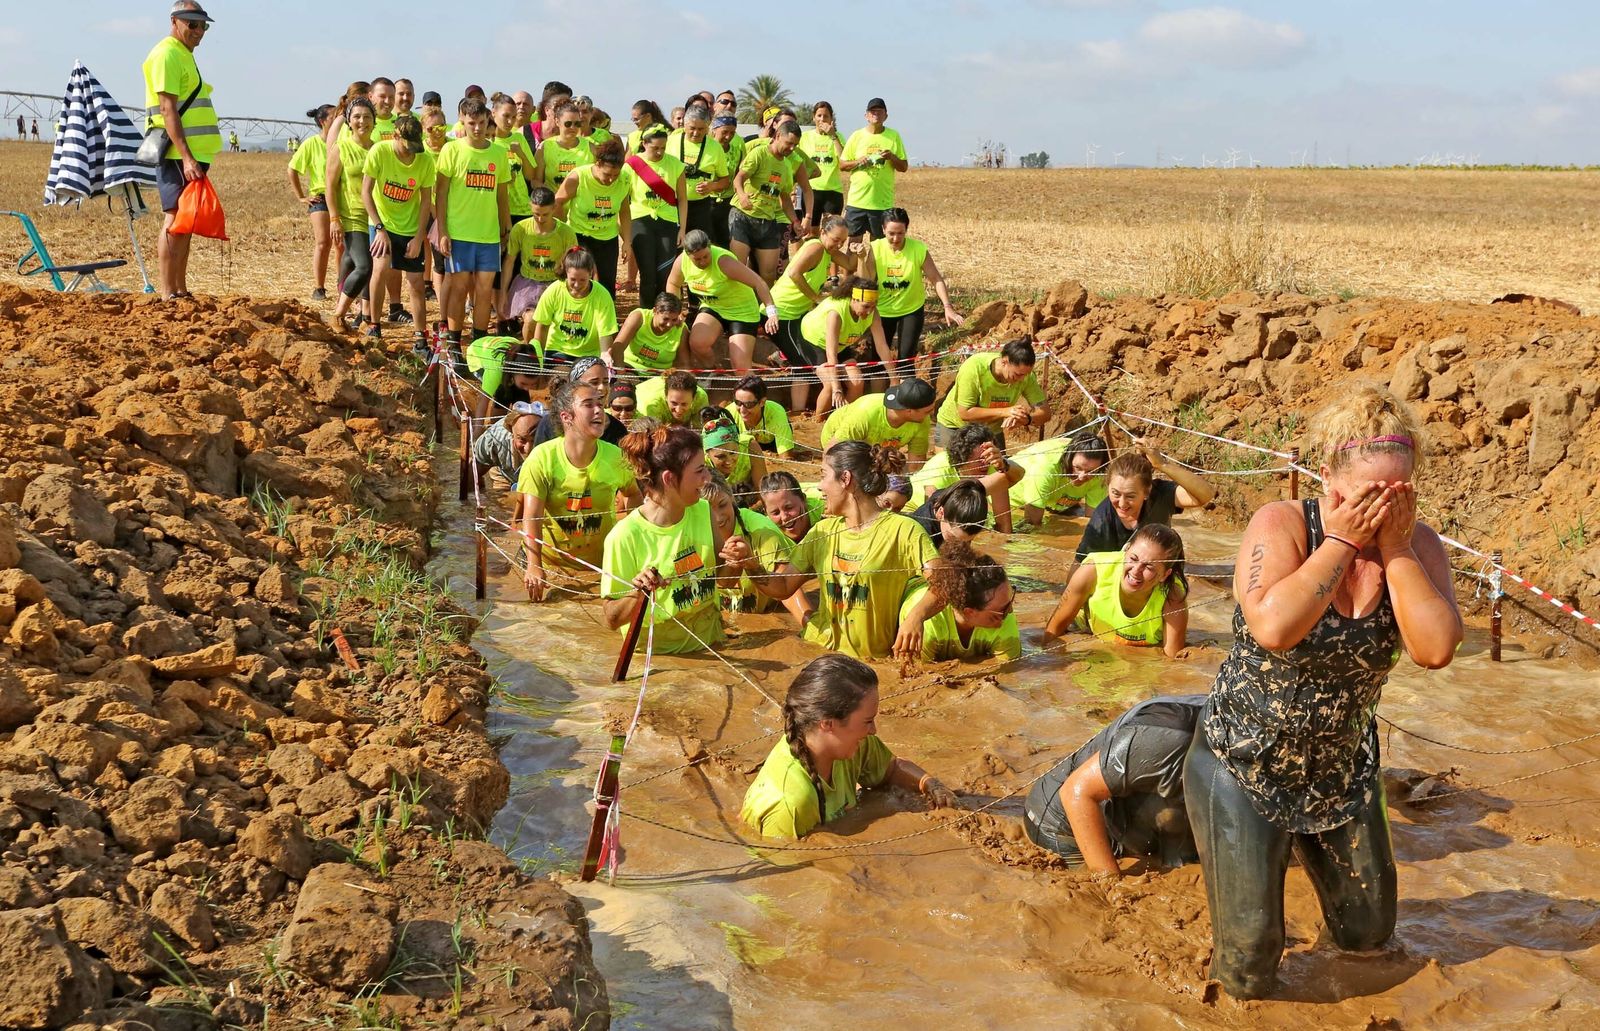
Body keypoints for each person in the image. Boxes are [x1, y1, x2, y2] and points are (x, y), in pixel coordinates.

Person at [1185, 387, 1462, 1000]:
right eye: (1367, 495)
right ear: (1329, 479)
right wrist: (1339, 542)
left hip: (1341, 768)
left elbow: (1435, 649)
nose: (1380, 509)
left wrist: (1393, 547)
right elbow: (1274, 628)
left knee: (1368, 938)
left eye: (1396, 494)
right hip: (1243, 762)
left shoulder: (1418, 545)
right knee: (1251, 965)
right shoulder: (1281, 524)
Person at [743, 442, 941, 660]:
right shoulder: (822, 532)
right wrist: (751, 565)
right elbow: (782, 587)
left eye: (824, 475)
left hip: (870, 660)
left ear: (845, 479)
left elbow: (945, 583)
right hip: (818, 653)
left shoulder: (903, 530)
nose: (819, 486)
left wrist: (916, 616)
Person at [742, 655, 956, 839]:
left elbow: (891, 770)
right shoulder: (790, 803)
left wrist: (930, 784)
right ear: (827, 723)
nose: (873, 730)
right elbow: (790, 876)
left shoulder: (852, 744)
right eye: (867, 721)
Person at [602, 424, 755, 654]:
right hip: (660, 660)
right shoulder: (624, 536)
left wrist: (737, 562)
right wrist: (639, 593)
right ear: (670, 479)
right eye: (700, 470)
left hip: (710, 644)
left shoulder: (703, 510)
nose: (707, 478)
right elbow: (612, 620)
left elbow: (723, 582)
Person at [1024, 696, 1205, 875]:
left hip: (1126, 812)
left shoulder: (1219, 715)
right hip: (1061, 823)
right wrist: (1109, 881)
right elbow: (1075, 792)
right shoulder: (1166, 735)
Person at [521, 379, 643, 601]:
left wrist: (630, 538)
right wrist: (534, 566)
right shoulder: (542, 458)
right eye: (588, 405)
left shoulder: (616, 457)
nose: (599, 410)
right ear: (566, 416)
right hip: (553, 566)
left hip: (601, 566)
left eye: (600, 403)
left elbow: (633, 494)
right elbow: (531, 517)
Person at [142, 0, 221, 301]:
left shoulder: (183, 54)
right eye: (192, 24)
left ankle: (180, 287)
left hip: (193, 154)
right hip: (178, 154)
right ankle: (167, 291)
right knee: (174, 220)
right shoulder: (167, 54)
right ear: (174, 21)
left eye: (203, 25)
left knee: (186, 221)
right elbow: (167, 108)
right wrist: (186, 156)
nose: (199, 31)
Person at [435, 97, 511, 361]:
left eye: (481, 123)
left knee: (484, 290)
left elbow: (503, 193)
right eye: (471, 123)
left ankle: (478, 346)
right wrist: (442, 231)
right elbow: (440, 194)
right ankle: (455, 345)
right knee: (459, 287)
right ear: (462, 122)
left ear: (488, 120)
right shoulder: (451, 150)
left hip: (488, 235)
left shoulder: (499, 153)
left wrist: (507, 225)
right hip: (459, 233)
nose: (477, 128)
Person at [1046, 524, 1190, 658]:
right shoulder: (1092, 570)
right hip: (1086, 633)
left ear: (1165, 575)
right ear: (1125, 551)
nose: (1136, 571)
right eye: (1133, 558)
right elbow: (1052, 634)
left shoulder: (1173, 595)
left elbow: (1172, 662)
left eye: (1149, 567)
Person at [771, 215, 860, 412]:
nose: (838, 245)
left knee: (807, 349)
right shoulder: (817, 247)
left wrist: (856, 249)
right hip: (783, 314)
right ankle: (797, 411)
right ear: (822, 233)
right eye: (836, 239)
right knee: (802, 365)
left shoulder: (829, 251)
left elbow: (851, 265)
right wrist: (815, 297)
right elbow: (794, 272)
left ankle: (781, 355)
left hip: (799, 315)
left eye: (842, 241)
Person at [1072, 443, 1216, 562]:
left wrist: (1162, 465)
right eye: (1115, 493)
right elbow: (1079, 569)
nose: (1122, 504)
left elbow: (1206, 495)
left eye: (1130, 496)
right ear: (1107, 486)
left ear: (1147, 492)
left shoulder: (1160, 495)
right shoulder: (1101, 521)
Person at [361, 113, 433, 348]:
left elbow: (425, 202)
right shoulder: (379, 152)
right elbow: (366, 193)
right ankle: (374, 324)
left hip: (410, 227)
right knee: (380, 269)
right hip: (383, 223)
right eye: (407, 146)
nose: (411, 152)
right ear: (396, 136)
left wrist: (419, 236)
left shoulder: (424, 161)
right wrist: (380, 228)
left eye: (415, 147)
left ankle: (420, 336)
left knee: (416, 282)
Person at [664, 230, 780, 374]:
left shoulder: (724, 262)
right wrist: (676, 310)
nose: (702, 262)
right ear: (688, 255)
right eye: (697, 259)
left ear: (710, 247)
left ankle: (750, 392)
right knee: (697, 343)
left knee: (740, 369)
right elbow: (673, 283)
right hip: (714, 307)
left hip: (741, 312)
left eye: (706, 256)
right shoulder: (682, 261)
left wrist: (771, 311)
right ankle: (713, 371)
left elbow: (758, 282)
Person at [703, 473, 808, 620]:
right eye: (708, 511)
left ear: (731, 498)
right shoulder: (692, 534)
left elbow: (787, 588)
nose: (718, 517)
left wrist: (810, 626)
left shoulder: (762, 532)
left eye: (722, 505)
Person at [873, 208, 963, 377]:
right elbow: (863, 280)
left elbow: (936, 279)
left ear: (907, 229)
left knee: (906, 358)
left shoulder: (918, 249)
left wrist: (947, 306)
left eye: (901, 233)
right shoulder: (874, 249)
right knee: (877, 359)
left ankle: (905, 397)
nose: (895, 238)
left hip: (911, 310)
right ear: (883, 229)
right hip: (882, 311)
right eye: (891, 233)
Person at [899, 539, 1020, 662]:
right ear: (969, 612)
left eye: (1010, 601)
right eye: (1003, 610)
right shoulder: (928, 625)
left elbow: (1010, 668)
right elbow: (918, 675)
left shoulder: (1002, 614)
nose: (1010, 611)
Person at [934, 338, 1052, 451]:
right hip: (955, 426)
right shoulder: (974, 368)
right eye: (1017, 374)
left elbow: (1045, 413)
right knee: (950, 469)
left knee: (1001, 469)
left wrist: (1026, 419)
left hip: (990, 430)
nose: (1022, 379)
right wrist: (1005, 411)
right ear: (1004, 362)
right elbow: (965, 413)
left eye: (1026, 374)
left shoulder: (1026, 376)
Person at [555, 138, 634, 298]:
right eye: (607, 174)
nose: (611, 179)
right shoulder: (579, 176)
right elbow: (558, 202)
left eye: (615, 174)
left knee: (606, 284)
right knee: (582, 280)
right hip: (580, 235)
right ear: (597, 163)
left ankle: (605, 318)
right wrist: (562, 232)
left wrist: (627, 241)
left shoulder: (624, 178)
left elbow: (624, 210)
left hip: (607, 237)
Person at [802, 277, 893, 415]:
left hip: (842, 345)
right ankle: (818, 421)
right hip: (814, 342)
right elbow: (831, 354)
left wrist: (894, 378)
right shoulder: (836, 314)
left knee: (857, 382)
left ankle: (842, 419)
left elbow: (882, 346)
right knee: (829, 385)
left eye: (873, 306)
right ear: (854, 300)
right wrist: (837, 388)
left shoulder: (873, 314)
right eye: (866, 306)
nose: (869, 311)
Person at [905, 424, 1022, 530]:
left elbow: (1004, 523)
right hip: (913, 513)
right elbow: (933, 519)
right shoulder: (940, 467)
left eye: (988, 457)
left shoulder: (993, 464)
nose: (985, 464)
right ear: (962, 458)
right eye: (979, 460)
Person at [731, 120, 805, 285]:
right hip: (743, 216)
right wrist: (742, 195)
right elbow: (739, 178)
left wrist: (794, 221)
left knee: (769, 272)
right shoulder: (759, 153)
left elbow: (785, 197)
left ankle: (763, 308)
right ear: (778, 136)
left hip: (767, 220)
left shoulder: (786, 165)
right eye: (789, 143)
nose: (792, 148)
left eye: (795, 145)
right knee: (737, 266)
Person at [325, 97, 375, 330]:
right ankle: (339, 314)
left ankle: (364, 318)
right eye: (356, 116)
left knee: (350, 262)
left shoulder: (378, 149)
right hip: (351, 217)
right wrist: (334, 219)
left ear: (374, 121)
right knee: (364, 267)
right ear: (348, 121)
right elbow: (330, 186)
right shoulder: (341, 148)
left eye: (367, 116)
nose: (362, 121)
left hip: (375, 219)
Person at [627, 124, 689, 311]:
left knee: (665, 273)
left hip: (668, 222)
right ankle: (646, 314)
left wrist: (682, 229)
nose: (660, 152)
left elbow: (683, 200)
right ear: (644, 144)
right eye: (655, 148)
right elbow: (624, 199)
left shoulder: (675, 165)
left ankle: (665, 312)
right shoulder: (632, 165)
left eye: (663, 147)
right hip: (640, 220)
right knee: (648, 274)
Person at [527, 247, 618, 368]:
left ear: (591, 273)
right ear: (565, 272)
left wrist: (605, 355)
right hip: (558, 352)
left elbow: (605, 333)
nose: (577, 285)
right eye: (573, 279)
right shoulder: (554, 290)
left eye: (582, 280)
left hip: (589, 355)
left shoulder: (602, 295)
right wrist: (539, 358)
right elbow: (542, 326)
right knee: (563, 379)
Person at [819, 377, 935, 471]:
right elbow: (832, 451)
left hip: (877, 450)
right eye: (927, 411)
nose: (931, 414)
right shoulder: (865, 414)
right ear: (909, 411)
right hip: (841, 442)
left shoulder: (922, 420)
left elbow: (916, 464)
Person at [500, 186, 579, 323]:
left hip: (555, 283)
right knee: (531, 320)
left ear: (554, 208)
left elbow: (573, 264)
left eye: (545, 214)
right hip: (528, 283)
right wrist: (503, 292)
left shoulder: (566, 233)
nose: (540, 219)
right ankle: (529, 344)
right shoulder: (521, 229)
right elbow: (509, 261)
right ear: (530, 206)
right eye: (536, 214)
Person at [839, 98, 907, 242]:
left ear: (886, 116)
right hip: (857, 202)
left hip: (882, 203)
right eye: (872, 111)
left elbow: (904, 167)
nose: (876, 114)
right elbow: (842, 165)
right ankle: (853, 266)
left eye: (879, 111)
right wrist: (858, 161)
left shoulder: (893, 136)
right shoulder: (857, 136)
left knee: (878, 248)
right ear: (866, 115)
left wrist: (892, 157)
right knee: (853, 246)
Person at [1012, 431, 1110, 527]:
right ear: (1068, 458)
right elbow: (1032, 523)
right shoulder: (1045, 469)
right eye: (1078, 468)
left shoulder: (1100, 474)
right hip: (1014, 503)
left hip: (1055, 504)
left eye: (1091, 471)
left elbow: (1092, 521)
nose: (1081, 477)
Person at [287, 104, 334, 300]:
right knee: (323, 242)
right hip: (320, 198)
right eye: (335, 116)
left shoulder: (343, 142)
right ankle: (319, 288)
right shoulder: (311, 144)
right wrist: (301, 196)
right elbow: (292, 169)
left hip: (341, 197)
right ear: (323, 121)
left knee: (342, 246)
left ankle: (344, 286)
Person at [530, 357, 628, 449]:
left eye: (606, 382)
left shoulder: (618, 429)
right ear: (575, 386)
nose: (602, 388)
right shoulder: (549, 423)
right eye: (594, 382)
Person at [669, 104, 730, 243]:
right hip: (672, 205)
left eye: (701, 129)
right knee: (674, 247)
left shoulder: (715, 147)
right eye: (692, 128)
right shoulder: (671, 142)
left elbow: (725, 181)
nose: (696, 133)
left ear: (708, 127)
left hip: (700, 207)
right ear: (684, 125)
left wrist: (712, 186)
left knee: (699, 247)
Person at [472, 406, 541, 516]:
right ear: (512, 435)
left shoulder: (557, 439)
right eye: (522, 440)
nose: (528, 448)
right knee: (503, 508)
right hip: (505, 473)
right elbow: (473, 474)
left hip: (538, 481)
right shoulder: (494, 440)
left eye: (535, 439)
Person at [701, 410, 767, 506]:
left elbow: (764, 493)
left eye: (733, 453)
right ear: (707, 453)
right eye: (721, 456)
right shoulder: (700, 462)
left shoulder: (749, 447)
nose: (728, 461)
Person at [614, 293, 687, 375]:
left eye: (674, 320)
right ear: (655, 311)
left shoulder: (681, 329)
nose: (669, 324)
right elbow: (618, 346)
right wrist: (620, 372)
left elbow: (683, 363)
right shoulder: (639, 317)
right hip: (629, 370)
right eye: (665, 319)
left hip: (661, 377)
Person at [493, 96, 537, 230]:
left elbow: (530, 175)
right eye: (505, 116)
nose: (510, 121)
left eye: (513, 117)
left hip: (522, 209)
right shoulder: (488, 141)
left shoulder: (518, 138)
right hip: (496, 208)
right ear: (493, 113)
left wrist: (521, 154)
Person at [907, 479, 989, 550]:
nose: (960, 547)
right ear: (941, 513)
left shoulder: (952, 495)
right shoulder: (922, 535)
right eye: (953, 538)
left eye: (968, 541)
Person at [725, 375, 795, 457]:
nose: (742, 410)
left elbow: (786, 457)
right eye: (738, 403)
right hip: (744, 444)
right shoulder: (729, 413)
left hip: (771, 443)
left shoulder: (776, 412)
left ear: (762, 402)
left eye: (748, 404)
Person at [536, 102, 594, 192]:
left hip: (581, 204)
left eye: (577, 124)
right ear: (557, 121)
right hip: (554, 202)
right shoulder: (545, 147)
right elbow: (535, 181)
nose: (573, 127)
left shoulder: (590, 147)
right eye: (568, 124)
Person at [760, 470, 825, 546]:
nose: (784, 517)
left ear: (803, 499)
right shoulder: (766, 532)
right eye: (776, 513)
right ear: (766, 513)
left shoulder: (824, 511)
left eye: (789, 508)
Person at [708, 114, 744, 249]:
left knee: (725, 243)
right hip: (706, 202)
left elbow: (740, 174)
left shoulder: (737, 150)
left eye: (732, 133)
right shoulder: (705, 149)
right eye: (724, 132)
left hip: (727, 203)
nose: (728, 137)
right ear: (714, 130)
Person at [636, 369, 708, 427]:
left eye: (684, 404)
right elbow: (654, 439)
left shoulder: (701, 397)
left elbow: (700, 430)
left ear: (694, 398)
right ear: (666, 396)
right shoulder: (652, 405)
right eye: (674, 403)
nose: (678, 410)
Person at [369, 77, 396, 142]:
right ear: (370, 96)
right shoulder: (358, 124)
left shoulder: (402, 124)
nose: (387, 101)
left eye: (391, 97)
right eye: (382, 96)